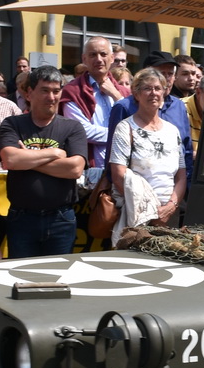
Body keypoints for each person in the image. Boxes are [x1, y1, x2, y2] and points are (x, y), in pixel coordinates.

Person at [0, 65, 88, 257]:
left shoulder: (72, 127)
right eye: (45, 90)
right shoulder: (12, 123)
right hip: (22, 218)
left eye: (56, 91)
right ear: (29, 93)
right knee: (21, 277)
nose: (52, 97)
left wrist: (28, 159)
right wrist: (55, 152)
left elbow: (75, 169)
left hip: (61, 219)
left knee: (59, 277)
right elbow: (11, 160)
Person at [109, 67, 188, 240]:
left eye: (158, 88)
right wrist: (150, 212)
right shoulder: (125, 128)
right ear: (136, 94)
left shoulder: (172, 131)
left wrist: (171, 205)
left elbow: (181, 175)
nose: (153, 93)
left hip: (170, 215)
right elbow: (118, 174)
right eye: (147, 88)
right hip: (138, 217)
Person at [106, 51, 193, 178]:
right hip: (134, 189)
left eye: (170, 74)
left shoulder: (179, 106)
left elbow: (186, 149)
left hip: (173, 190)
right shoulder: (124, 107)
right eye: (162, 74)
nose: (167, 79)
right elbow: (113, 157)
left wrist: (186, 186)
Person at [60, 36, 127, 173]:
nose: (99, 59)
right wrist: (123, 136)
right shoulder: (73, 91)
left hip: (125, 169)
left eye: (103, 54)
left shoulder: (124, 93)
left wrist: (116, 95)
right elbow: (82, 131)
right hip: (90, 170)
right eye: (93, 55)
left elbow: (137, 126)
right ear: (84, 59)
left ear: (112, 58)